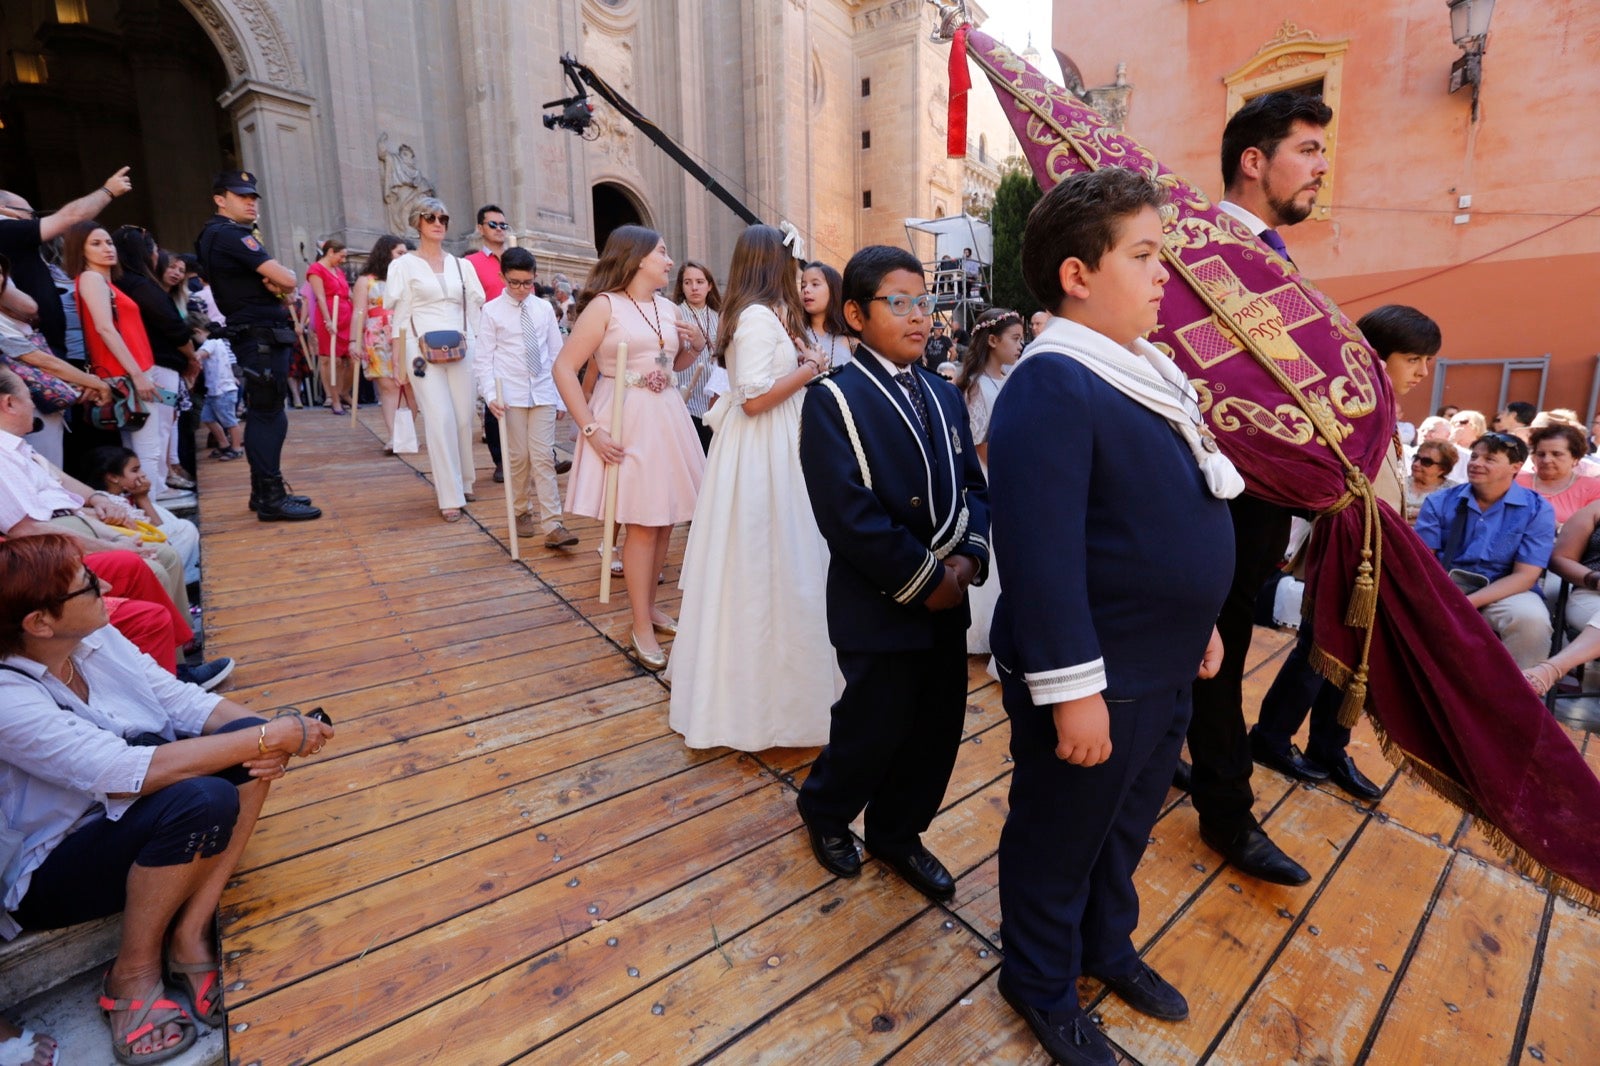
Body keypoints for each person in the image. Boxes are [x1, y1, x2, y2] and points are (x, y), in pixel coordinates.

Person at [990, 166, 1237, 1066]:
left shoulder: (1139, 373)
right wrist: (1071, 694)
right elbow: (1042, 558)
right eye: (1143, 255)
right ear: (1076, 274)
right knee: (1060, 836)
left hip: (1160, 661)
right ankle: (1038, 979)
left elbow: (1164, 514)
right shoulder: (1053, 385)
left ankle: (1104, 945)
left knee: (1123, 828)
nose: (1163, 273)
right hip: (1098, 676)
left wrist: (1198, 619)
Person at [0, 534, 333, 1063]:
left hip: (127, 816)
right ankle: (130, 979)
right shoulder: (7, 697)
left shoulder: (93, 637)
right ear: (40, 622)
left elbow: (181, 700)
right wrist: (273, 737)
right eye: (88, 584)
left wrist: (265, 730)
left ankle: (191, 931)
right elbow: (117, 771)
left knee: (244, 739)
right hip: (52, 868)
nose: (106, 584)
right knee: (205, 797)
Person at [794, 245, 990, 903]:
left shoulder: (943, 393)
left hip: (948, 595)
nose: (918, 317)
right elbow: (848, 516)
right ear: (855, 313)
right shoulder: (834, 400)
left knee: (937, 726)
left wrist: (969, 557)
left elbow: (974, 488)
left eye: (924, 301)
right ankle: (824, 810)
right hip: (883, 600)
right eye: (897, 302)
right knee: (871, 724)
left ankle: (898, 832)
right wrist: (926, 580)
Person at [1184, 90, 1333, 887]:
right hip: (1216, 492)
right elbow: (1206, 366)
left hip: (1260, 494)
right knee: (1221, 650)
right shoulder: (1202, 251)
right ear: (1254, 161)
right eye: (1307, 151)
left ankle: (1195, 771)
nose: (1319, 169)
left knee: (1215, 645)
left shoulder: (1268, 256)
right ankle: (1226, 811)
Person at [1248, 303, 1441, 803]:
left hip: (1376, 553)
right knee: (1321, 651)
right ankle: (1271, 738)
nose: (1423, 372)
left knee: (1355, 657)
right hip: (1346, 552)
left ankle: (1327, 746)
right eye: (1414, 359)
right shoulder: (1343, 408)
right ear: (1375, 357)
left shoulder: (1384, 409)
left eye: (1427, 361)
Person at [667, 224, 839, 750]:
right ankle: (768, 702)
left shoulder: (758, 316)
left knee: (764, 562)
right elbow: (754, 399)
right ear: (773, 265)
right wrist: (809, 369)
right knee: (775, 559)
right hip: (765, 449)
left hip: (761, 447)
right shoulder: (758, 320)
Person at [552, 226, 703, 667]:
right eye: (662, 252)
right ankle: (639, 623)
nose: (670, 261)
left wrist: (689, 351)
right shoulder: (605, 306)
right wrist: (590, 429)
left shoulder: (666, 306)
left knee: (664, 522)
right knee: (641, 522)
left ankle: (650, 605)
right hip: (624, 417)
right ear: (637, 258)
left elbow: (663, 363)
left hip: (664, 415)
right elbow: (565, 368)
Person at [193, 170, 321, 520]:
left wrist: (279, 285)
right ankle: (271, 498)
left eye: (253, 197)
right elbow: (288, 280)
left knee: (267, 413)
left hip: (257, 333)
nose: (251, 202)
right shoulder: (230, 235)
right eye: (241, 196)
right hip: (259, 334)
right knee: (267, 415)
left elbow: (282, 287)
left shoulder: (219, 235)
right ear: (220, 199)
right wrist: (281, 280)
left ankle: (263, 492)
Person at [1414, 433, 1554, 669]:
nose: (1476, 463)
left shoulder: (1537, 509)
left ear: (1515, 467)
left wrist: (1467, 603)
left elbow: (1526, 575)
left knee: (1532, 622)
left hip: (1506, 590)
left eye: (1489, 459)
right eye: (1475, 456)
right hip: (1444, 585)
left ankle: (1514, 700)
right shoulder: (1439, 501)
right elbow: (1421, 561)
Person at [388, 198, 487, 522]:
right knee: (439, 417)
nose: (438, 222)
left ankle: (466, 480)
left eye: (443, 217)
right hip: (420, 350)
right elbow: (399, 315)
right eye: (430, 217)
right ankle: (449, 494)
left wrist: (481, 347)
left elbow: (474, 310)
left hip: (463, 344)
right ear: (417, 222)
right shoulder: (402, 266)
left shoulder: (463, 265)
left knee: (462, 418)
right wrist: (398, 359)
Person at [474, 247, 575, 549]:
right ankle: (521, 510)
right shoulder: (491, 311)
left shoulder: (544, 309)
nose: (520, 289)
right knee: (518, 459)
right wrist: (490, 394)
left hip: (542, 390)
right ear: (503, 276)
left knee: (544, 457)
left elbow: (557, 355)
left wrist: (560, 398)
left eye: (527, 283)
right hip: (511, 395)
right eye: (514, 282)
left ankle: (554, 524)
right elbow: (484, 359)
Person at [0, 167, 132, 357]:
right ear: (3, 209)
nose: (33, 219)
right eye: (30, 213)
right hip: (35, 348)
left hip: (43, 347)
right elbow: (70, 218)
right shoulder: (5, 229)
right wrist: (108, 191)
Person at [955, 307, 1024, 655]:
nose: (1020, 345)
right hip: (990, 473)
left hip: (1008, 468)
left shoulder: (1009, 377)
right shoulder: (979, 386)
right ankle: (980, 635)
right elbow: (981, 441)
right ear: (993, 340)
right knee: (993, 547)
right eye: (1014, 339)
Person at [110, 227, 197, 503]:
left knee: (140, 431)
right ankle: (156, 486)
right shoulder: (141, 285)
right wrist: (193, 358)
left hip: (143, 368)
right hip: (159, 369)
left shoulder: (120, 283)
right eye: (155, 249)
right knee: (159, 427)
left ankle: (150, 484)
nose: (157, 255)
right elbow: (175, 328)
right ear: (145, 252)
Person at [83, 445, 202, 586]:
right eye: (135, 470)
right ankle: (186, 581)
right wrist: (143, 499)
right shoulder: (113, 503)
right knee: (184, 528)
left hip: (146, 547)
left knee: (167, 516)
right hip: (139, 549)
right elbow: (156, 532)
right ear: (113, 477)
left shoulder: (122, 496)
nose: (142, 474)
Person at [348, 235, 417, 451]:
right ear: (386, 253)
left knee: (410, 387)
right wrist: (353, 340)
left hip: (406, 333)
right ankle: (394, 436)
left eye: (406, 253)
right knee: (388, 388)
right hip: (378, 336)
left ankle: (407, 435)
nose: (404, 257)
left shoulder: (409, 278)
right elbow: (359, 311)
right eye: (399, 252)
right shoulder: (365, 280)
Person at [465, 205, 510, 482]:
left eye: (503, 225)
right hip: (489, 338)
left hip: (519, 336)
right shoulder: (470, 263)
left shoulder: (517, 258)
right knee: (496, 399)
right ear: (480, 228)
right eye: (493, 225)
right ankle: (501, 460)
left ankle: (544, 455)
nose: (499, 230)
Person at [671, 260, 723, 452]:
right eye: (688, 282)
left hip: (714, 401)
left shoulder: (719, 316)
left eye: (700, 282)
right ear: (681, 286)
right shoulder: (675, 314)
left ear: (709, 285)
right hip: (685, 401)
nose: (694, 287)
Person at [1515, 423, 1600, 526]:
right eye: (1541, 454)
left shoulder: (1593, 488)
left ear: (1575, 458)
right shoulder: (1515, 483)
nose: (1546, 460)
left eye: (1556, 454)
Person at [307, 239, 354, 414]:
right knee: (332, 359)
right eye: (341, 256)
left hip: (345, 315)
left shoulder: (339, 271)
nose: (343, 260)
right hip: (329, 314)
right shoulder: (316, 270)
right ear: (331, 252)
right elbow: (319, 296)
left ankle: (344, 392)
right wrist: (328, 320)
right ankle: (334, 399)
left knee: (349, 359)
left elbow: (348, 293)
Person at [195, 320, 242, 460]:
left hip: (222, 389)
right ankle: (224, 443)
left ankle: (236, 447)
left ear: (198, 331)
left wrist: (192, 355)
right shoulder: (221, 342)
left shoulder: (210, 342)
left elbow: (200, 354)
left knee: (229, 420)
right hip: (215, 389)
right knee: (207, 418)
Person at [800, 260, 852, 371]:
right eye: (803, 286)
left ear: (834, 290)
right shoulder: (795, 333)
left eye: (815, 284)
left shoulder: (852, 341)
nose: (806, 290)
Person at [1405, 439, 1458, 524]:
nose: (1416, 464)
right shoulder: (1399, 483)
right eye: (1416, 458)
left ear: (1442, 469)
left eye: (1426, 462)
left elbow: (1447, 520)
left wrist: (1406, 513)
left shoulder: (1452, 491)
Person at [1448, 410, 1487, 479]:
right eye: (1453, 423)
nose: (1457, 425)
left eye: (1463, 422)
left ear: (1476, 425)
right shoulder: (1448, 445)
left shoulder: (1485, 448)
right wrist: (1451, 441)